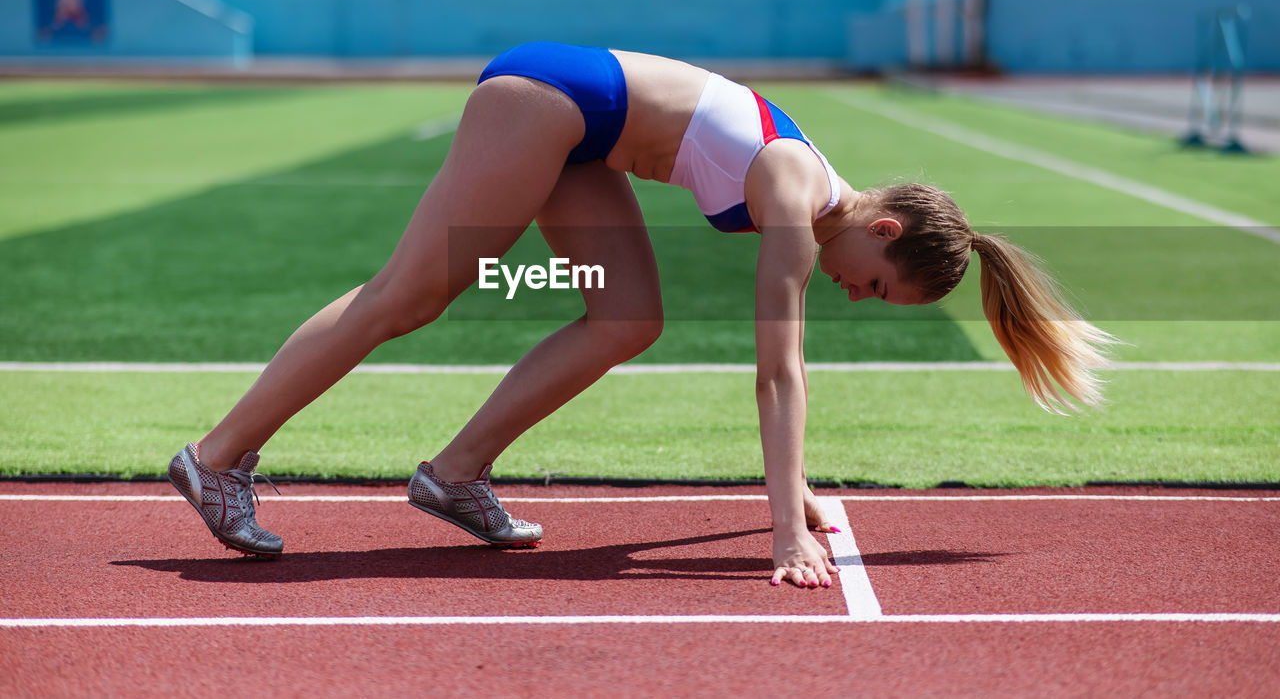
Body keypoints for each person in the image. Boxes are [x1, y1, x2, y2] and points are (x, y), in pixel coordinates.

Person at [167, 42, 1114, 588]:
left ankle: (453, 475)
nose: (854, 293)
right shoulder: (795, 193)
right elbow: (778, 371)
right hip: (549, 100)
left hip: (586, 138)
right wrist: (785, 530)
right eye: (875, 283)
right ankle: (216, 459)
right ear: (886, 226)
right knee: (410, 295)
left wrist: (799, 497)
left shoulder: (820, 200)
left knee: (627, 319)